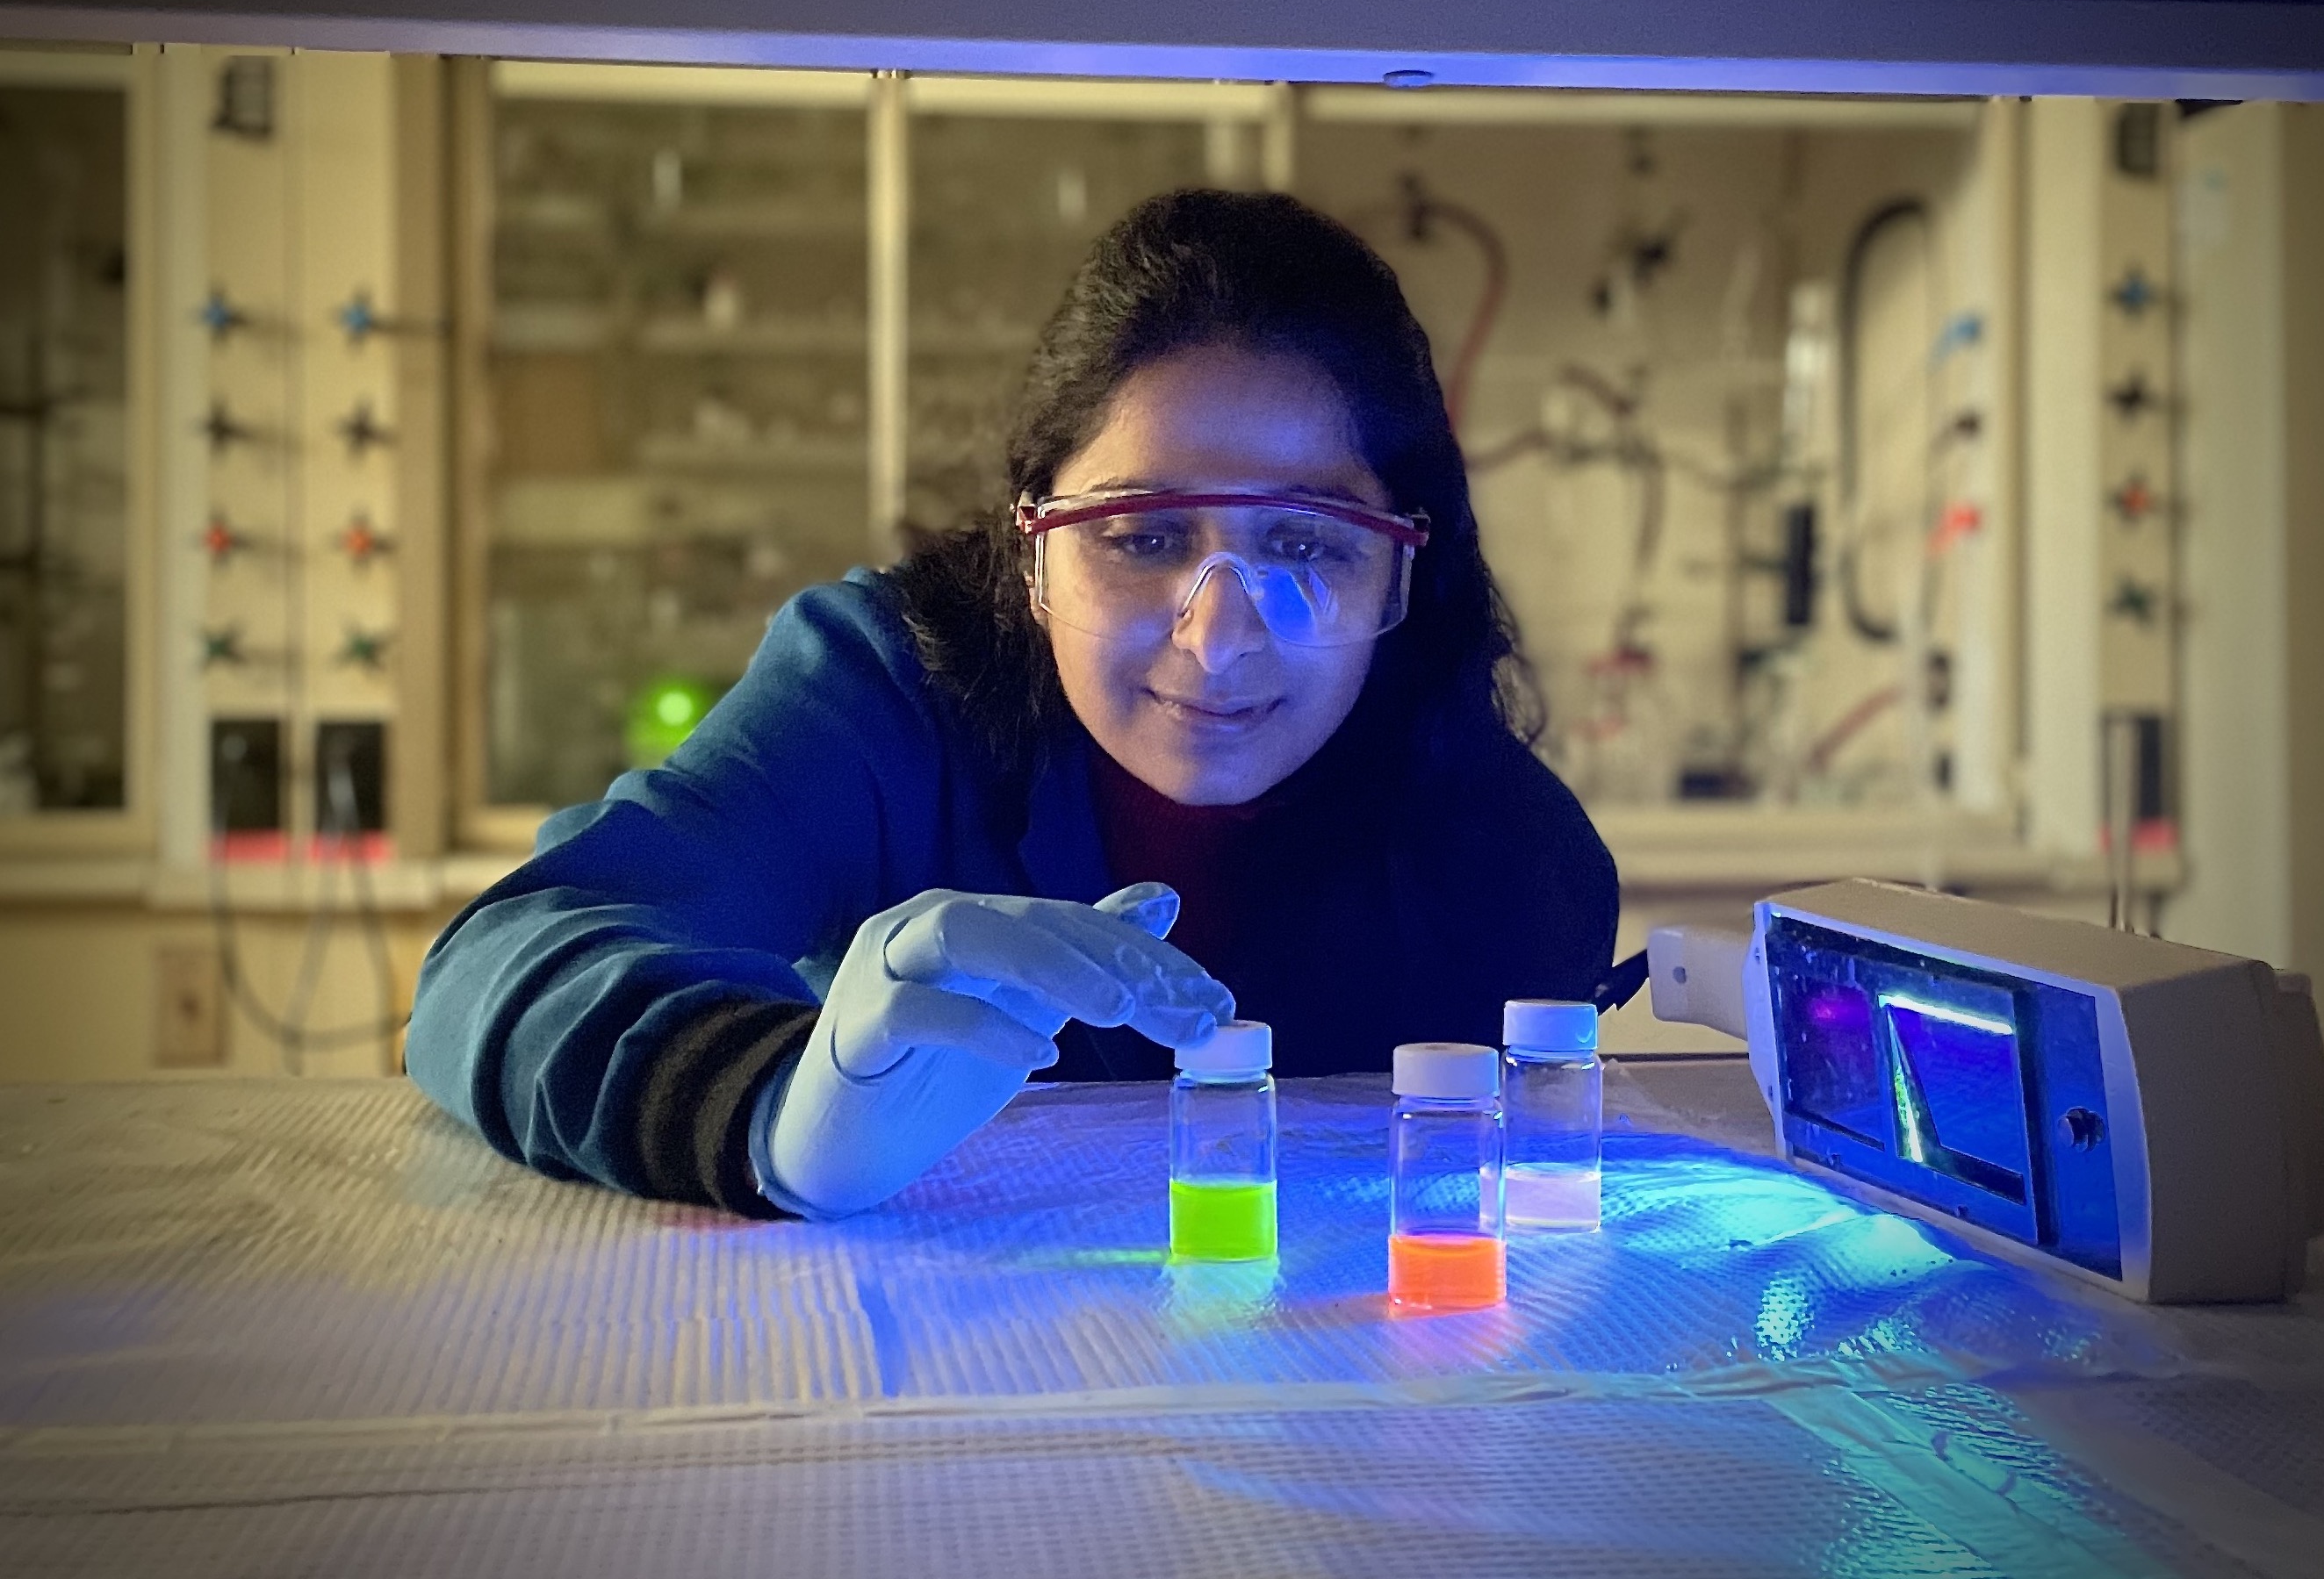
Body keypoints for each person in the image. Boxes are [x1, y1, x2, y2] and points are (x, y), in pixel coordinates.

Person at [407, 190, 1618, 1220]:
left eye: (1305, 544)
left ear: (1405, 570)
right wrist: (764, 1105)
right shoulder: (886, 694)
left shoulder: (1513, 862)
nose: (1218, 633)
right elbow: (504, 959)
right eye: (1141, 535)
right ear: (1032, 551)